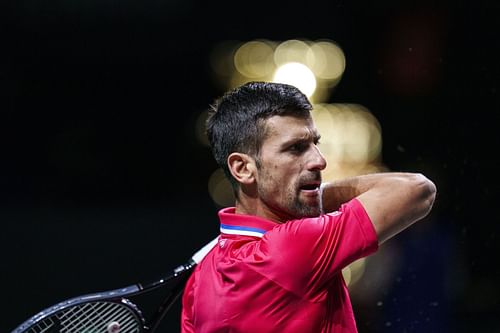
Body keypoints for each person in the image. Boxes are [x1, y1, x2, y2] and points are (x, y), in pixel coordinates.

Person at [181, 81, 437, 333]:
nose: (319, 160)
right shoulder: (294, 247)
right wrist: (314, 193)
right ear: (243, 168)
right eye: (296, 148)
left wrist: (303, 192)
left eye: (315, 144)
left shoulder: (200, 278)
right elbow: (418, 190)